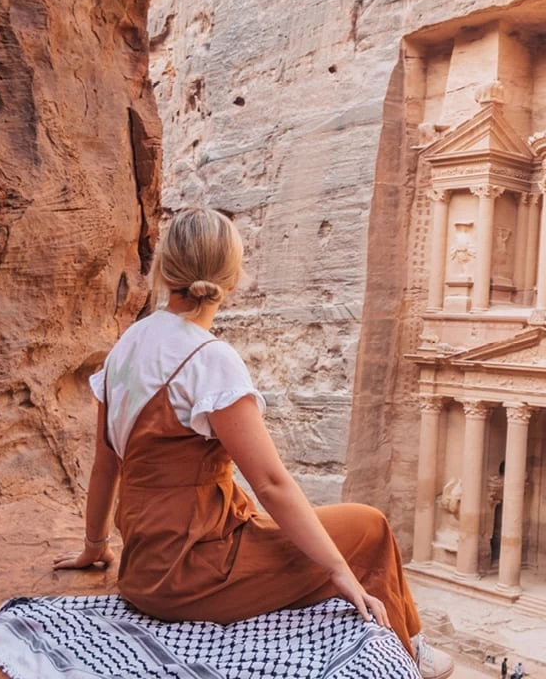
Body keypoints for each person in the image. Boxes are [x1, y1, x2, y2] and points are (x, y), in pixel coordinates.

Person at [53, 208, 454, 679]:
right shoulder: (209, 359)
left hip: (143, 568)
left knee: (280, 525)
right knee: (369, 527)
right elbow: (271, 483)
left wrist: (95, 547)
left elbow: (105, 466)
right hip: (192, 570)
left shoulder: (129, 343)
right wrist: (339, 571)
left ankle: (411, 640)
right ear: (231, 278)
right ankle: (411, 648)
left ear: (164, 271)